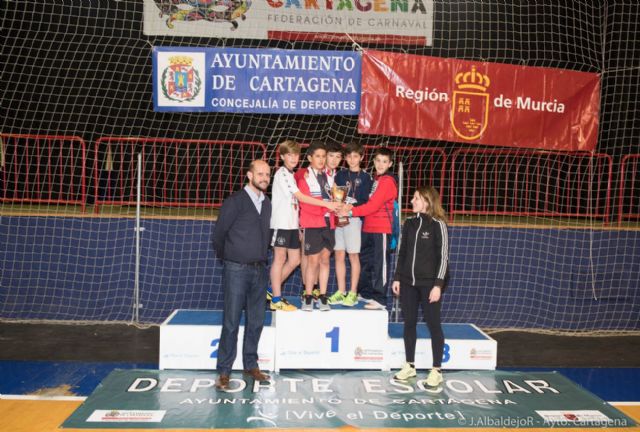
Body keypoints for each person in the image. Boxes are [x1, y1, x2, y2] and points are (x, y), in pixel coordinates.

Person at [211, 160, 272, 390]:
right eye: (260, 173)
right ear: (249, 175)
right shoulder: (235, 202)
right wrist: (230, 258)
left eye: (267, 174)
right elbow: (218, 235)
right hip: (236, 269)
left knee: (256, 321)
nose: (264, 177)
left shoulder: (267, 203)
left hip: (260, 270)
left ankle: (250, 365)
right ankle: (224, 372)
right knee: (231, 322)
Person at [269, 140, 339, 311]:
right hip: (282, 222)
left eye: (295, 155)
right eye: (289, 155)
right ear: (283, 156)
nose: (293, 158)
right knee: (280, 259)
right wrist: (327, 205)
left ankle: (271, 290)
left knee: (295, 260)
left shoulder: (296, 174)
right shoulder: (284, 174)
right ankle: (276, 296)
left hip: (294, 224)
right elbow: (300, 196)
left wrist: (341, 207)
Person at [391, 185, 449, 387]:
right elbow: (403, 253)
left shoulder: (438, 224)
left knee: (434, 325)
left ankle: (436, 369)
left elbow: (443, 258)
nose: (412, 201)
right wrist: (397, 277)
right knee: (409, 323)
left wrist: (438, 285)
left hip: (429, 285)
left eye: (416, 198)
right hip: (408, 283)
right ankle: (410, 365)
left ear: (427, 201)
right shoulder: (409, 223)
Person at [339, 146, 398, 310]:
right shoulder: (376, 180)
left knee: (381, 264)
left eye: (384, 161)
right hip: (368, 227)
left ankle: (380, 298)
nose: (380, 164)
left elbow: (372, 206)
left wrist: (350, 210)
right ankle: (364, 292)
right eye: (378, 160)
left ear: (390, 164)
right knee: (365, 261)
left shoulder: (388, 181)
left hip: (381, 228)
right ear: (373, 161)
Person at [329, 142, 372, 307]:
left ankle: (353, 292)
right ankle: (341, 291)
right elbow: (335, 195)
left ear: (361, 157)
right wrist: (339, 207)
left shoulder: (366, 177)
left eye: (355, 156)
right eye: (349, 156)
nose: (352, 159)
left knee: (353, 256)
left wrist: (351, 208)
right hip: (340, 218)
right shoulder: (340, 175)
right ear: (345, 158)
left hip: (354, 220)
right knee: (339, 255)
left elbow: (366, 202)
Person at [297, 142, 338, 311]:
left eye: (323, 156)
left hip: (329, 223)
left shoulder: (330, 178)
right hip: (312, 223)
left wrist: (339, 206)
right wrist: (327, 207)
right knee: (312, 260)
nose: (321, 160)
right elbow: (305, 203)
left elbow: (335, 199)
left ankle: (322, 295)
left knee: (325, 260)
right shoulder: (304, 176)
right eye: (318, 156)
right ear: (310, 158)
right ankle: (307, 296)